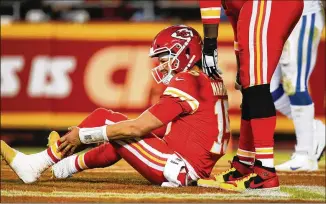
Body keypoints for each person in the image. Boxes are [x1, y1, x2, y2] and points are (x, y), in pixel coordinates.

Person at [1, 25, 231, 187]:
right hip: (188, 166)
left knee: (105, 118)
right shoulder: (210, 79)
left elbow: (136, 129)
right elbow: (150, 129)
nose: (161, 67)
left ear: (185, 53)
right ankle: (63, 166)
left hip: (179, 168)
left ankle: (35, 164)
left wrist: (84, 135)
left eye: (164, 60)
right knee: (120, 135)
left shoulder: (186, 80)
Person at [198, 0, 303, 191]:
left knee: (256, 85)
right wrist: (240, 59)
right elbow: (237, 17)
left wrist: (210, 45)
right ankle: (244, 164)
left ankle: (265, 171)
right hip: (258, 7)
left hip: (265, 4)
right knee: (249, 84)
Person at [271, 0, 325, 171]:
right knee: (266, 88)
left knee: (295, 84)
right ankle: (314, 129)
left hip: (303, 14)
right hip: (276, 17)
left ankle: (305, 154)